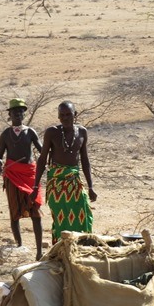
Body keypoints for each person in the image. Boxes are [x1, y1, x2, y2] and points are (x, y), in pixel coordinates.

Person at [30, 101, 97, 244]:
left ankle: (80, 249)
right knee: (61, 218)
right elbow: (42, 160)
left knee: (84, 214)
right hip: (56, 183)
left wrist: (90, 187)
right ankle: (61, 253)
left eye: (69, 114)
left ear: (75, 114)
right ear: (58, 116)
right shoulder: (52, 132)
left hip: (74, 180)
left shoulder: (82, 132)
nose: (66, 118)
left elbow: (85, 160)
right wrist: (35, 187)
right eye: (62, 115)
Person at [0, 98, 44, 260]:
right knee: (14, 212)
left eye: (20, 111)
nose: (18, 114)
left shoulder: (30, 132)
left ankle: (39, 252)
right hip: (12, 175)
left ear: (24, 114)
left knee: (35, 211)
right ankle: (19, 245)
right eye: (14, 112)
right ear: (10, 115)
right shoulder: (5, 134)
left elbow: (42, 151)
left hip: (30, 175)